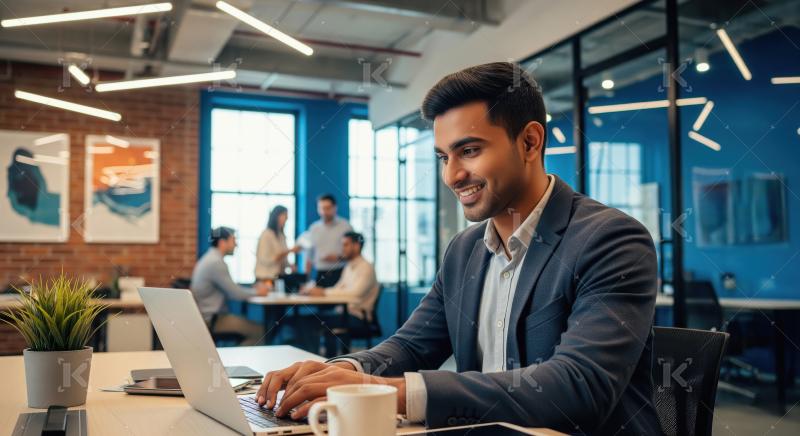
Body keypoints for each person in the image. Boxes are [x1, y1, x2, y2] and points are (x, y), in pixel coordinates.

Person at [254, 62, 659, 435]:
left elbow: (578, 387)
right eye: (443, 157)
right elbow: (412, 346)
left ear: (530, 142)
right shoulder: (464, 250)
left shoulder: (610, 240)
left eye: (469, 151)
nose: (452, 175)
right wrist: (341, 371)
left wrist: (386, 392)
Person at [297, 231, 379, 356]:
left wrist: (323, 292)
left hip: (359, 318)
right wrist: (317, 291)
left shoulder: (366, 267)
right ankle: (317, 361)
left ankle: (321, 362)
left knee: (312, 323)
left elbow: (354, 294)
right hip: (344, 314)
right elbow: (338, 288)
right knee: (306, 321)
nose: (342, 249)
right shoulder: (349, 267)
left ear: (356, 246)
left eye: (346, 245)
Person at [190, 226, 268, 346]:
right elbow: (236, 293)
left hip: (204, 317)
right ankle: (238, 362)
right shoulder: (216, 263)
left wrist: (252, 290)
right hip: (212, 320)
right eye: (233, 240)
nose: (236, 245)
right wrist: (258, 292)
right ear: (222, 242)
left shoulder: (208, 258)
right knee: (261, 332)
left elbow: (232, 288)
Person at [300, 194, 352, 287]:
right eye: (321, 208)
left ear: (335, 208)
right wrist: (306, 279)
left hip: (340, 273)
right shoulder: (314, 228)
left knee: (338, 300)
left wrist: (337, 258)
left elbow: (353, 253)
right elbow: (309, 256)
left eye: (327, 208)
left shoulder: (345, 226)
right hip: (320, 274)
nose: (324, 212)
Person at [255, 205, 300, 284]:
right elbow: (265, 259)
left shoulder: (281, 235)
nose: (286, 218)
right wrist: (289, 251)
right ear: (276, 216)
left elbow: (283, 259)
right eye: (284, 215)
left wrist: (290, 266)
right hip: (265, 278)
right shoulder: (266, 234)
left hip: (278, 277)